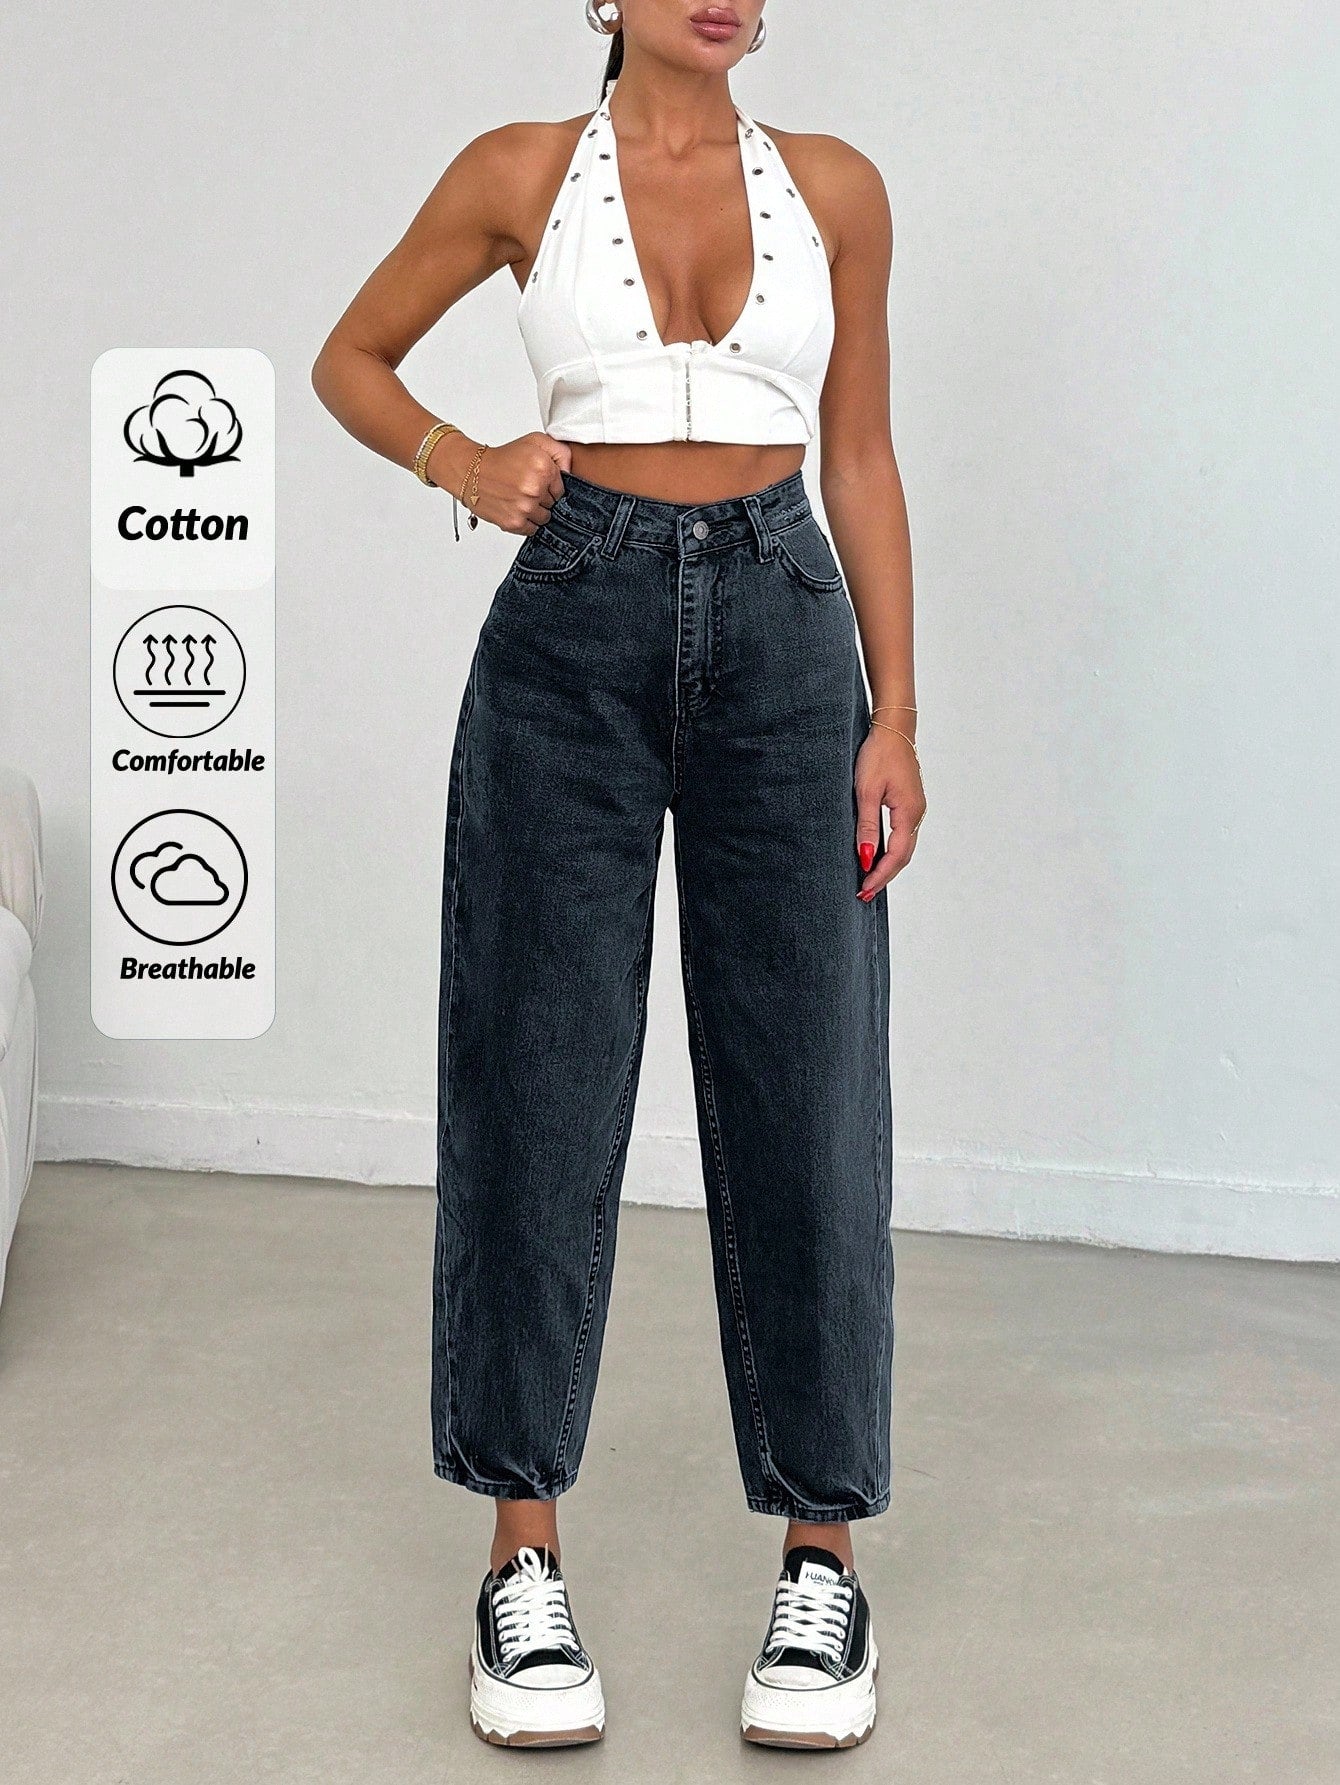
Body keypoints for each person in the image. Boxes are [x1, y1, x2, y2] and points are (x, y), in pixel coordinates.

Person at [311, 0, 922, 1753]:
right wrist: (464, 460)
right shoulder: (520, 173)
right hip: (568, 636)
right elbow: (353, 358)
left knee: (810, 1090)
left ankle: (822, 1559)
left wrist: (896, 712)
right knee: (536, 1077)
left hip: (789, 639)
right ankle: (522, 1555)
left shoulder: (837, 189)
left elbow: (860, 456)